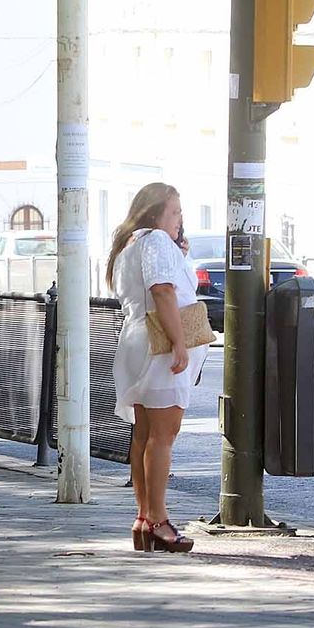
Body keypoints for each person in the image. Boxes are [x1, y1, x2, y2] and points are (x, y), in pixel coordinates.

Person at [106, 183, 208, 554]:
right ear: (155, 213)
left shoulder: (129, 246)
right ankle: (159, 521)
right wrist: (180, 343)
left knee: (144, 435)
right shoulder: (156, 242)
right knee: (163, 436)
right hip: (159, 345)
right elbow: (164, 291)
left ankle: (144, 517)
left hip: (135, 340)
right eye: (176, 212)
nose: (181, 220)